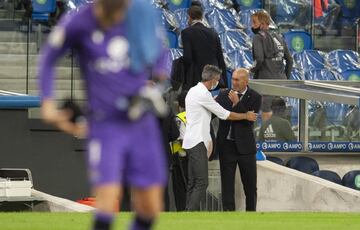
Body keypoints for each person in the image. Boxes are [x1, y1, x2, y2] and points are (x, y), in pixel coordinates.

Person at [38, 0, 169, 229]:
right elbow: (48, 57)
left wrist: (156, 80)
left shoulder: (140, 15)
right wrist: (47, 103)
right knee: (107, 203)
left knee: (150, 208)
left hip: (141, 121)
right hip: (105, 124)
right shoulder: (79, 21)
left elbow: (162, 55)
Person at [182, 65, 257, 211]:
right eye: (217, 79)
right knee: (202, 182)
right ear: (212, 80)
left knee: (193, 182)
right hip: (197, 142)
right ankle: (189, 213)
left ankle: (188, 213)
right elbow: (225, 114)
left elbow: (208, 109)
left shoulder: (194, 90)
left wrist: (213, 102)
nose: (218, 82)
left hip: (192, 141)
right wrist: (246, 115)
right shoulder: (202, 94)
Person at [215, 68, 261, 211]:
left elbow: (249, 122)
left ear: (246, 82)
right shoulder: (223, 95)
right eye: (232, 79)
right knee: (227, 186)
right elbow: (218, 115)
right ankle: (229, 217)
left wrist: (236, 103)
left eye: (236, 80)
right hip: (226, 146)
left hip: (246, 149)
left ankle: (251, 215)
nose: (233, 82)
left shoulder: (255, 96)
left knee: (250, 186)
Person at [250, 10, 293, 121]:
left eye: (254, 23)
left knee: (267, 114)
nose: (252, 26)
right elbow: (290, 60)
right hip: (281, 83)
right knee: (280, 114)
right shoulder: (279, 37)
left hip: (266, 83)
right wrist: (285, 78)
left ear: (263, 24)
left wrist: (251, 70)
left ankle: (266, 137)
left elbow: (259, 59)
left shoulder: (258, 37)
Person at [181, 4, 227, 90]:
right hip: (213, 77)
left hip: (196, 77)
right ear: (202, 17)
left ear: (189, 17)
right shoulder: (213, 33)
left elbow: (188, 58)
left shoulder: (186, 32)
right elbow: (220, 58)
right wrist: (225, 84)